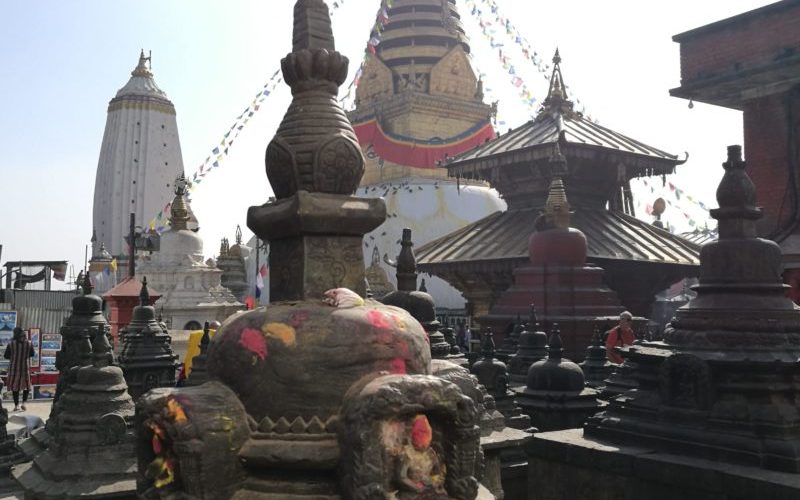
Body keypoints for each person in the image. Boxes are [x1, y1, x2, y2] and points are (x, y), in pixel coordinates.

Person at [4, 327, 33, 412]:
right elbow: (32, 354)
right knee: (26, 385)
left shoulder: (11, 344)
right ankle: (24, 403)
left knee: (14, 386)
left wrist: (14, 357)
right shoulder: (29, 343)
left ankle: (16, 405)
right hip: (25, 367)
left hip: (14, 368)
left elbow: (6, 356)